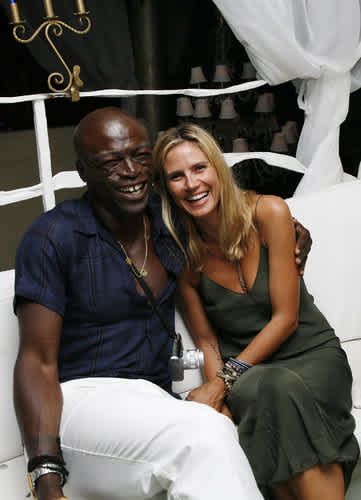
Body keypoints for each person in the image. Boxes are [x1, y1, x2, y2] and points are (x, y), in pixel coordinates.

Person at [14, 107, 309, 500]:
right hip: (81, 404)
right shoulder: (54, 236)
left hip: (153, 401)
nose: (132, 170)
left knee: (217, 437)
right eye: (111, 162)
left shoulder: (168, 219)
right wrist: (45, 477)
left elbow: (235, 214)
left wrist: (294, 231)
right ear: (84, 171)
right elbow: (36, 360)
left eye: (139, 155)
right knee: (206, 432)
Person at [153, 123, 360, 500]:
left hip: (313, 356)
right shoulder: (182, 254)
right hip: (253, 378)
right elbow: (207, 341)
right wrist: (222, 400)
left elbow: (287, 318)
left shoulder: (269, 212)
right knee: (275, 392)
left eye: (199, 168)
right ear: (166, 188)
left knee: (281, 400)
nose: (191, 183)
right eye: (176, 177)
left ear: (217, 168)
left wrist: (219, 385)